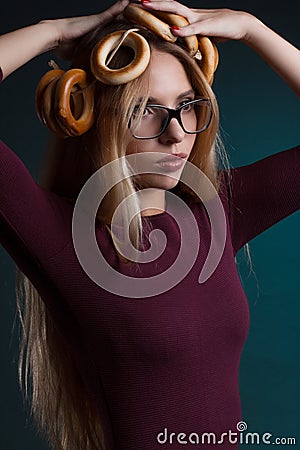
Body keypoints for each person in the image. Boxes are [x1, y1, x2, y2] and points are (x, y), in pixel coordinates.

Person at [0, 0, 299, 449]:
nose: (176, 133)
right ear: (98, 118)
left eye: (186, 105)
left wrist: (251, 29)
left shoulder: (215, 215)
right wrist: (55, 32)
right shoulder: (64, 239)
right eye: (146, 109)